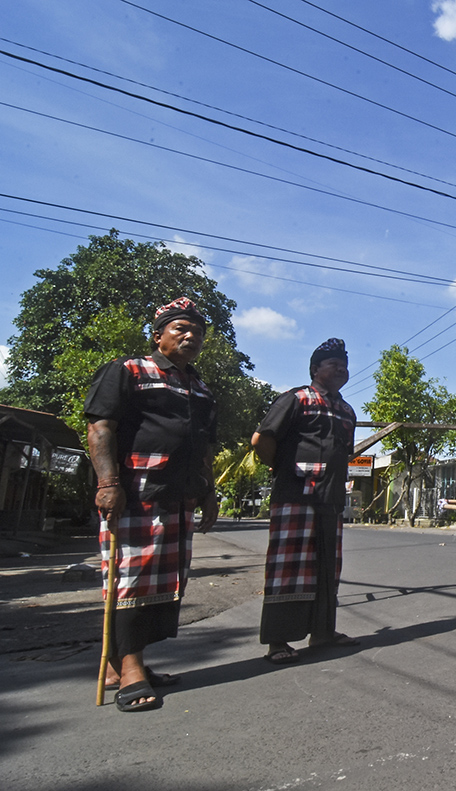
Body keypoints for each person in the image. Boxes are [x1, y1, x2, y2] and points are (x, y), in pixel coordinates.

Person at [85, 297, 219, 712]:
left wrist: (209, 491)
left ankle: (121, 663)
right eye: (180, 328)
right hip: (137, 493)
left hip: (180, 495)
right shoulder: (127, 370)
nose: (190, 336)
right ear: (158, 334)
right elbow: (100, 426)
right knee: (132, 581)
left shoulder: (199, 387)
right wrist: (108, 483)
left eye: (196, 330)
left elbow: (204, 450)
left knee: (166, 583)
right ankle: (130, 671)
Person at [252, 338, 358, 665]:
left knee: (327, 569)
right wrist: (284, 470)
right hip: (295, 497)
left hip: (331, 500)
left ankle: (323, 632)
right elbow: (262, 440)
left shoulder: (346, 411)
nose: (340, 368)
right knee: (289, 570)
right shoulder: (296, 399)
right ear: (315, 369)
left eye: (343, 364)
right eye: (332, 363)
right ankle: (277, 642)